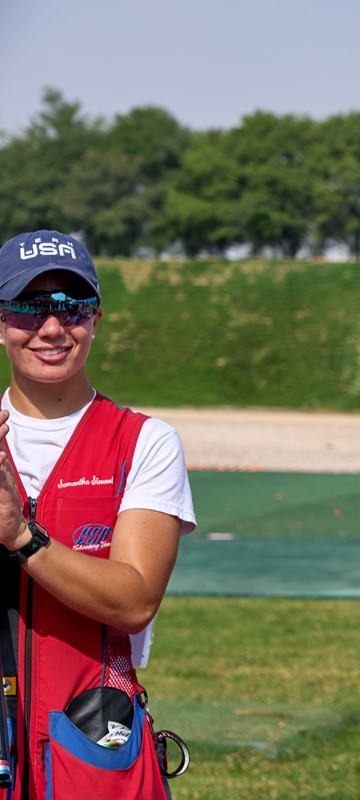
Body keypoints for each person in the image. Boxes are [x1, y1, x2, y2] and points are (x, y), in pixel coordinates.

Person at [0, 230, 196, 799]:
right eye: (30, 307)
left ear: (96, 318)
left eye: (72, 306)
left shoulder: (143, 442)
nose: (53, 328)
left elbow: (133, 600)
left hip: (91, 743)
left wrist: (20, 536)